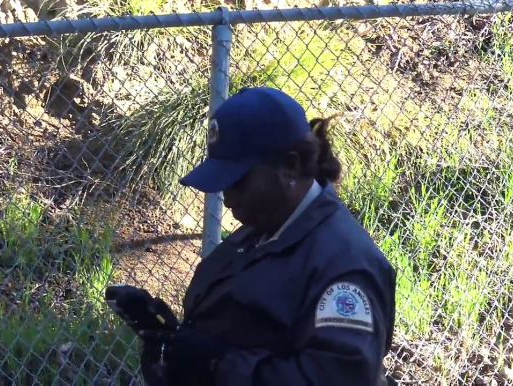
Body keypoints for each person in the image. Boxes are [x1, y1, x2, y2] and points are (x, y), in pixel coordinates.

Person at [136, 86, 397, 386]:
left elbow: (339, 378)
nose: (227, 195)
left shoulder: (345, 265)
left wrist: (217, 364)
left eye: (239, 180)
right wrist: (174, 345)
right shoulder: (258, 232)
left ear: (290, 166)